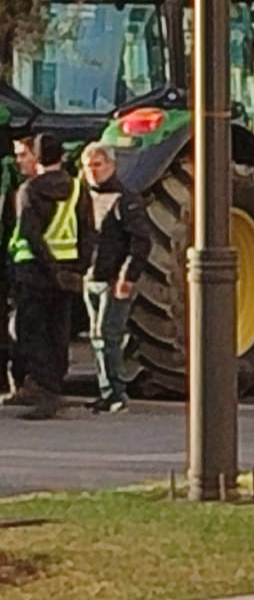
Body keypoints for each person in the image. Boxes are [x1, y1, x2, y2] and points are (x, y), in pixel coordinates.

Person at [7, 134, 84, 420]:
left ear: (37, 158)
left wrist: (49, 268)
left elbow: (30, 233)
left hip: (34, 272)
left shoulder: (29, 190)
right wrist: (76, 270)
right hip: (67, 273)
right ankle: (54, 388)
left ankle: (43, 390)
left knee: (31, 333)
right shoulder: (77, 188)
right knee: (58, 332)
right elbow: (87, 230)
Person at [78, 143, 146, 414]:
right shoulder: (83, 199)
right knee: (96, 336)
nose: (93, 171)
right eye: (88, 166)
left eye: (98, 165)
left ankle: (116, 393)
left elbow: (140, 242)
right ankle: (106, 392)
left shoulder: (125, 199)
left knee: (109, 335)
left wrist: (127, 277)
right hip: (90, 278)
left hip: (113, 280)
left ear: (112, 166)